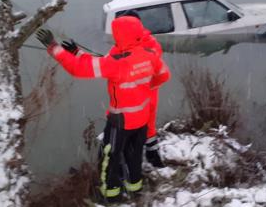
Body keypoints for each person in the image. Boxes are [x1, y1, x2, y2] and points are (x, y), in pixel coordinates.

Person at [35, 16, 170, 202]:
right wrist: (78, 52)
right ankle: (136, 190)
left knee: (110, 159)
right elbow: (163, 76)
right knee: (134, 156)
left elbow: (79, 69)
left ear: (120, 36)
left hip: (120, 122)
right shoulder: (150, 54)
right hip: (142, 119)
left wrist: (53, 47)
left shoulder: (117, 63)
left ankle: (110, 196)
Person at [113, 10, 166, 168]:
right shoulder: (123, 44)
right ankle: (138, 156)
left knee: (147, 121)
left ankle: (150, 154)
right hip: (132, 93)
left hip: (144, 91)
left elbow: (153, 65)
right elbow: (108, 62)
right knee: (139, 122)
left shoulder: (150, 43)